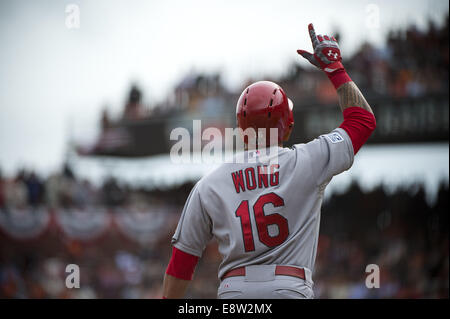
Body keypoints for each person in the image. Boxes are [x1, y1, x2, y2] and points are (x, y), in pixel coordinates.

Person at [162, 23, 376, 299]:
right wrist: (335, 69)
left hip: (234, 293)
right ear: (288, 126)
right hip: (290, 288)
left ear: (241, 129)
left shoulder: (210, 183)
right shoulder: (308, 160)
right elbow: (363, 120)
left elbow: (182, 262)